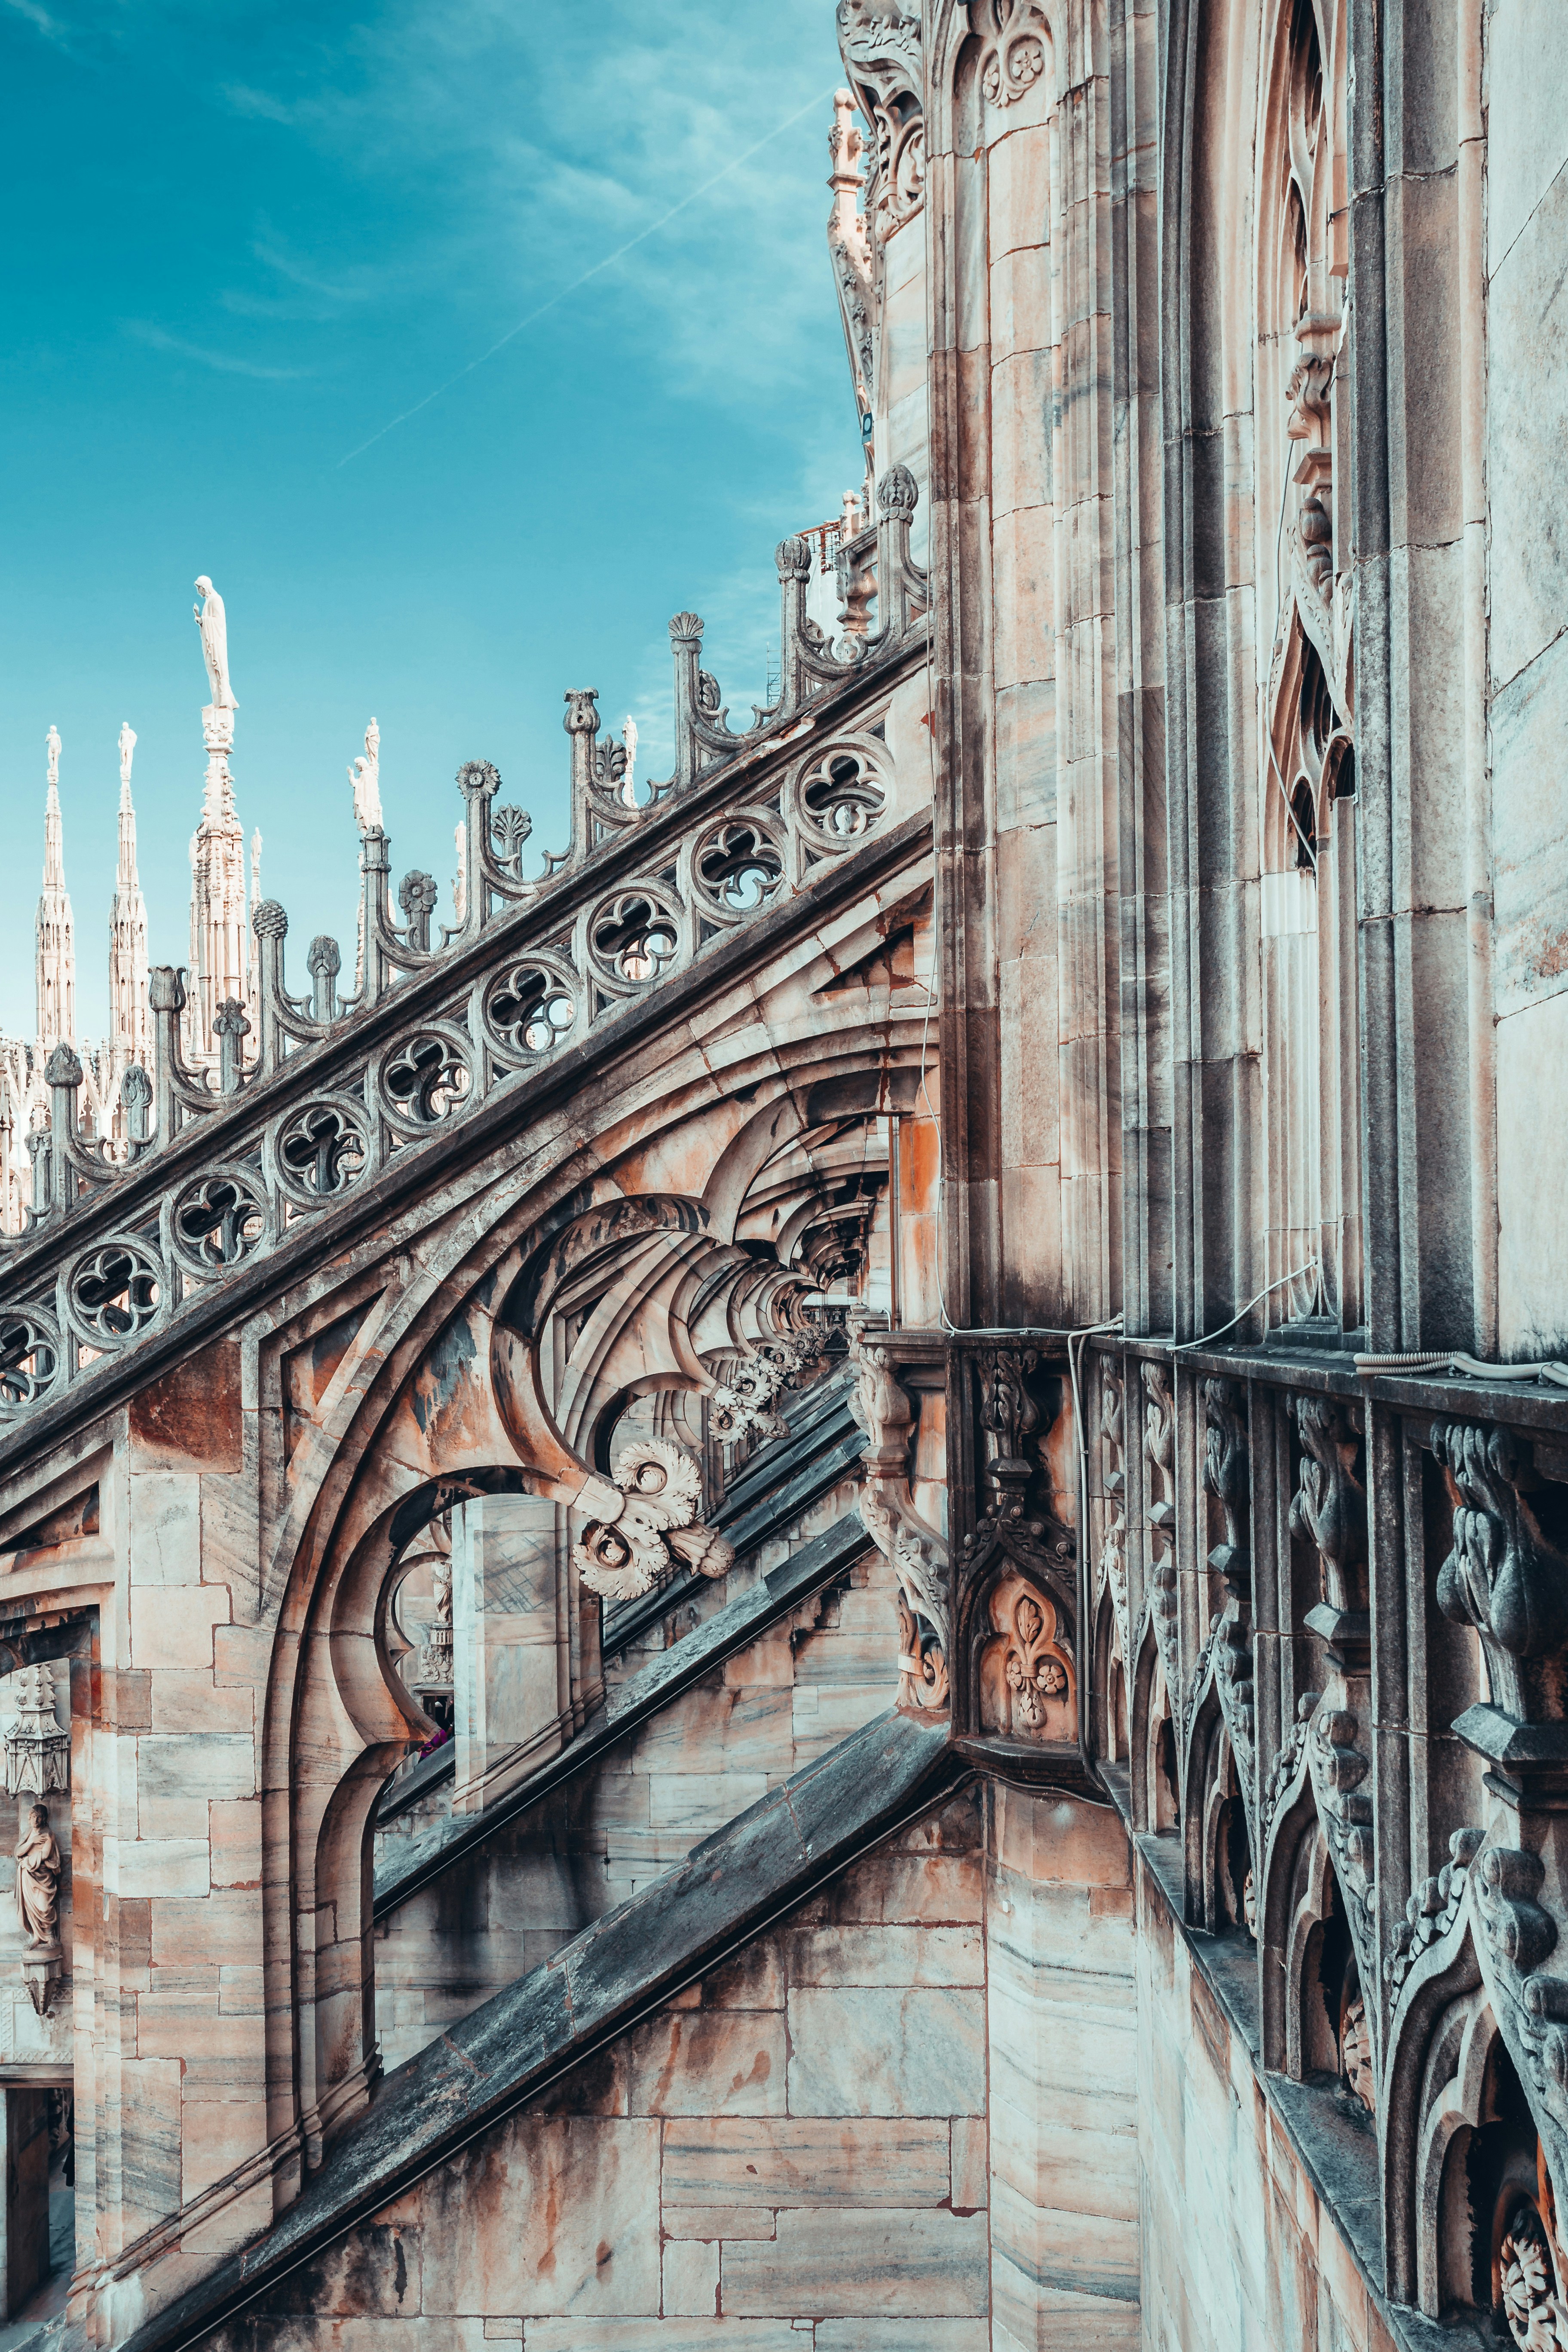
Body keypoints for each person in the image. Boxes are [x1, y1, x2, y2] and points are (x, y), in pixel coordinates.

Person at [14, 1804, 61, 1949]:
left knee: (44, 1906)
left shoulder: (48, 1834)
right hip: (28, 1877)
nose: (35, 1820)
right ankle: (36, 1936)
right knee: (31, 1908)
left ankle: (49, 1935)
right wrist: (31, 1842)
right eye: (33, 1816)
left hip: (43, 1876)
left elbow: (46, 1854)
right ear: (30, 1818)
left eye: (39, 1817)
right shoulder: (28, 1834)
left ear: (44, 1819)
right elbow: (18, 1852)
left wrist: (28, 1861)